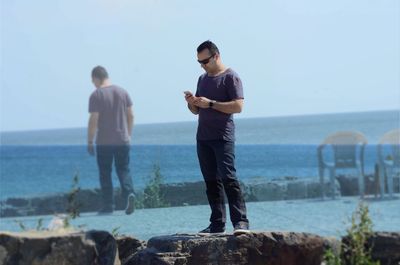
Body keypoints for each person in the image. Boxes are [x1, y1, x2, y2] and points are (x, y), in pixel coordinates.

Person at [184, 41, 250, 235]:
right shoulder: (202, 79)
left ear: (216, 56)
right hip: (203, 138)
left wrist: (211, 103)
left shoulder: (231, 77)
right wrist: (192, 103)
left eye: (205, 61)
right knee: (211, 182)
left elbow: (238, 106)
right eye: (199, 62)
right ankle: (217, 224)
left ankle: (241, 222)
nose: (202, 65)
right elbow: (197, 110)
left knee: (229, 179)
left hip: (223, 137)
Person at [87, 65, 135, 215]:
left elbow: (94, 120)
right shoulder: (122, 92)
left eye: (92, 80)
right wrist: (129, 135)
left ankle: (108, 206)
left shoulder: (96, 95)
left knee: (105, 173)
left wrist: (90, 140)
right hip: (122, 139)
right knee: (123, 169)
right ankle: (129, 195)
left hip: (104, 141)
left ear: (96, 78)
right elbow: (131, 115)